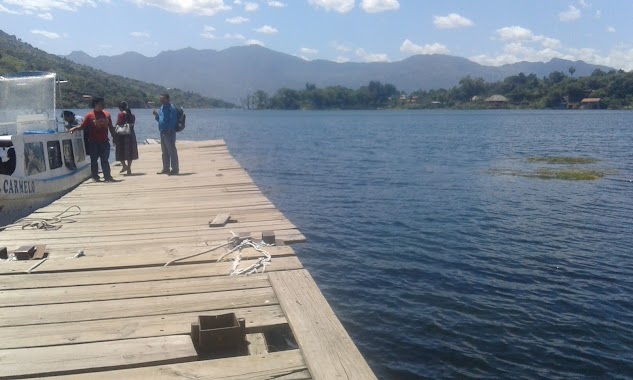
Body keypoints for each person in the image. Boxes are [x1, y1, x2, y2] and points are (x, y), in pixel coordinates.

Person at [69, 97, 115, 182]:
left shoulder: (107, 114)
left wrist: (114, 137)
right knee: (94, 160)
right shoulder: (89, 115)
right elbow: (83, 126)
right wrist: (73, 129)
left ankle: (107, 176)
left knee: (105, 160)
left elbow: (111, 127)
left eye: (103, 104)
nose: (103, 105)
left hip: (104, 141)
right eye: (101, 103)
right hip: (93, 142)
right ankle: (95, 177)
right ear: (95, 104)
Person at [153, 93, 179, 175]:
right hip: (162, 131)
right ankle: (166, 168)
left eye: (163, 98)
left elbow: (173, 120)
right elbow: (160, 120)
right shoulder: (161, 108)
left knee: (172, 151)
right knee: (164, 151)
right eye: (160, 98)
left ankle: (175, 169)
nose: (161, 100)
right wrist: (156, 116)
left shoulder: (172, 108)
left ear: (168, 99)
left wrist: (169, 129)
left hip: (169, 132)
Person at [114, 101, 139, 175]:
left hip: (122, 135)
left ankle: (124, 165)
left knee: (120, 151)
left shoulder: (120, 114)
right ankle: (129, 168)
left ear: (120, 108)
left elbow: (118, 124)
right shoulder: (132, 115)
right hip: (131, 135)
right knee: (130, 152)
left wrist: (114, 135)